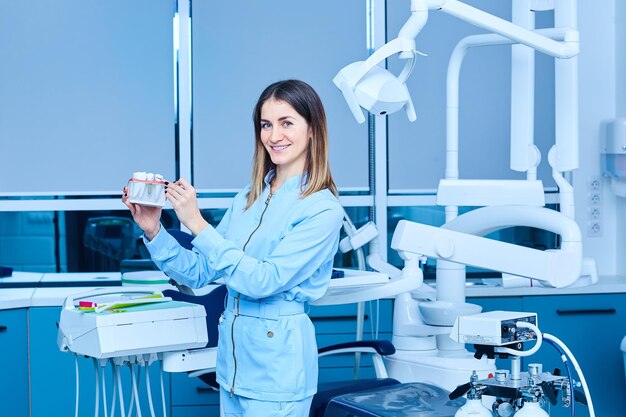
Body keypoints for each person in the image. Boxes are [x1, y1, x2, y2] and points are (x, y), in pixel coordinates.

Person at [122, 79, 344, 417]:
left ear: (312, 129)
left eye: (287, 123)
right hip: (232, 369)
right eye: (266, 125)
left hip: (278, 374)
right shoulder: (248, 197)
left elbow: (262, 281)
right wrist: (154, 229)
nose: (274, 135)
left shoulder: (321, 209)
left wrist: (197, 223)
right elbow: (200, 273)